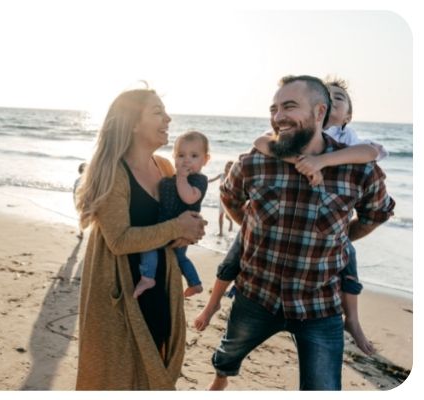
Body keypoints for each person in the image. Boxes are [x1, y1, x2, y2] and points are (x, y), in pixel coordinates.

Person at [206, 75, 394, 391]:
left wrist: (339, 238)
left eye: (289, 106)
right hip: (256, 296)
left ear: (320, 112)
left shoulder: (358, 168)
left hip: (320, 306)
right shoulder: (257, 162)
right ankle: (220, 378)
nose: (278, 116)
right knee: (227, 353)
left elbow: (378, 212)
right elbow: (230, 196)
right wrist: (252, 229)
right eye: (274, 108)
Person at [75, 87, 207, 390]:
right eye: (158, 112)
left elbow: (178, 218)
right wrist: (176, 227)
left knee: (157, 366)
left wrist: (192, 228)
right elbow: (118, 240)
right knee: (118, 377)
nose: (168, 118)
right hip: (121, 292)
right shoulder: (111, 172)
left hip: (161, 284)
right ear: (133, 122)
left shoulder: (164, 167)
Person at [133, 131, 210, 299]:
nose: (186, 160)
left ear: (205, 160)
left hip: (182, 228)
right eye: (181, 155)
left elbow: (189, 198)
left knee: (149, 245)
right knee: (177, 256)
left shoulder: (198, 180)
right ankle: (194, 283)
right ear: (174, 157)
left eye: (194, 155)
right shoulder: (171, 177)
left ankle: (148, 277)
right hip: (168, 224)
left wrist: (181, 178)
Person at [207, 161, 234, 236]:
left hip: (229, 199)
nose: (229, 167)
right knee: (220, 215)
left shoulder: (232, 177)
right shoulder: (221, 175)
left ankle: (231, 222)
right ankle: (221, 232)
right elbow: (212, 179)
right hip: (221, 198)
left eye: (230, 166)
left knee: (227, 215)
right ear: (226, 167)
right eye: (228, 166)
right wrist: (205, 181)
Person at [73, 162, 86, 238]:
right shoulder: (90, 179)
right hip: (87, 200)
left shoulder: (77, 180)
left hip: (80, 201)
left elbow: (75, 192)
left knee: (81, 217)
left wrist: (75, 202)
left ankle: (81, 233)